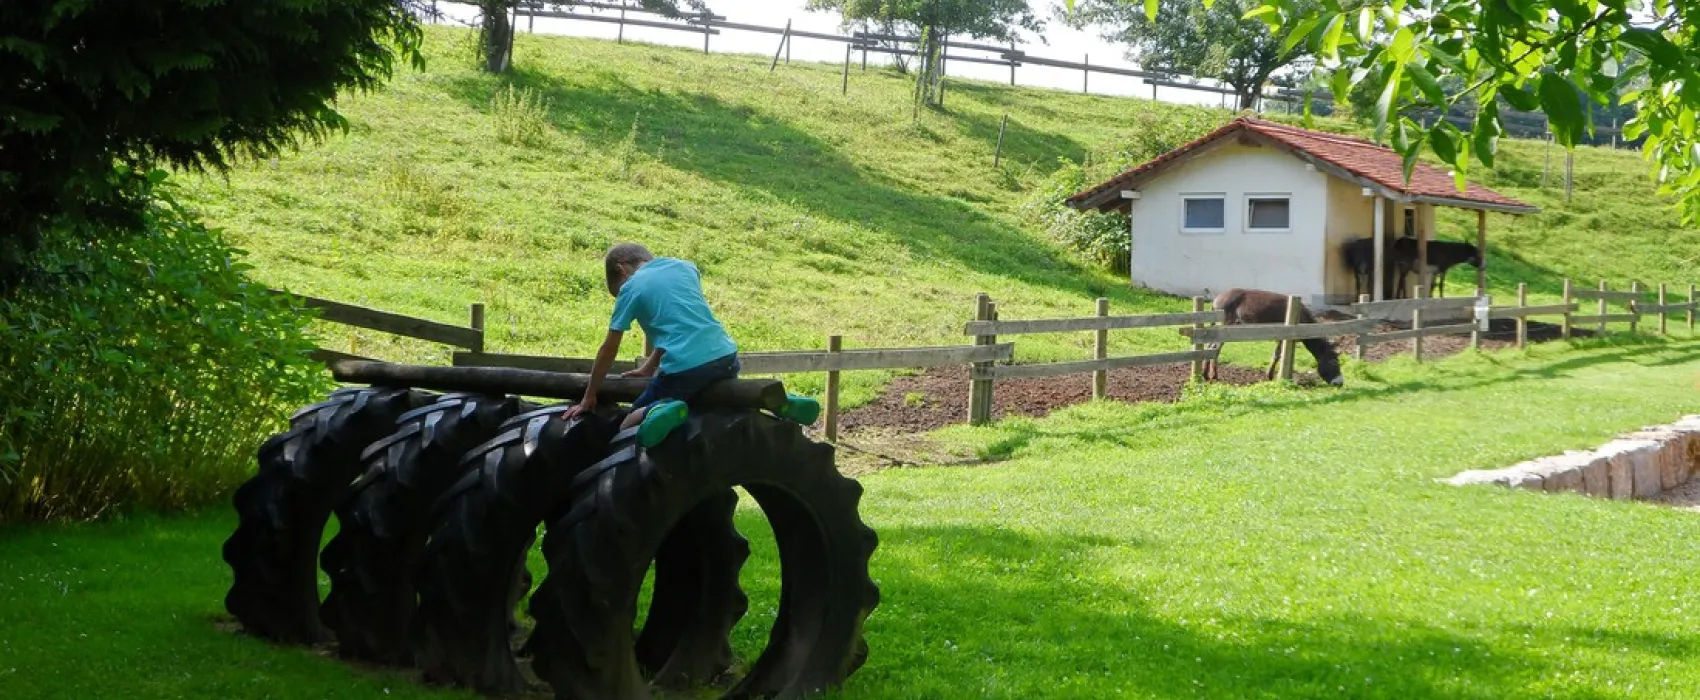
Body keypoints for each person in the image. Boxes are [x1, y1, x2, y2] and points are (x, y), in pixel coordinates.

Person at [562, 243, 816, 446]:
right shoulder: (684, 267)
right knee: (716, 401)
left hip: (686, 368)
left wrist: (589, 396)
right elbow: (679, 323)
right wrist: (649, 368)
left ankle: (655, 409)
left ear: (622, 269)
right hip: (725, 356)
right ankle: (779, 402)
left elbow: (609, 348)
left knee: (629, 422)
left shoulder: (632, 287)